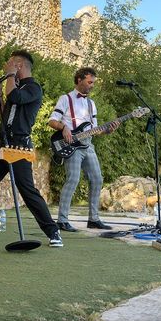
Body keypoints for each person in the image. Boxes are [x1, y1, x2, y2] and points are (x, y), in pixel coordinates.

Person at [0, 50, 63, 247]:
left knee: (26, 190)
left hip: (20, 147)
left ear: (19, 65)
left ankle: (53, 232)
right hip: (4, 145)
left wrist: (9, 77)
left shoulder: (33, 88)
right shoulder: (15, 87)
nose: (6, 67)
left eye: (10, 64)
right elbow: (5, 115)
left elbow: (16, 97)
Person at [46, 67, 116, 232]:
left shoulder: (91, 104)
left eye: (93, 83)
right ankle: (62, 221)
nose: (92, 85)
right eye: (89, 82)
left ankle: (93, 219)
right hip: (72, 146)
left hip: (88, 144)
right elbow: (52, 121)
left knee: (97, 179)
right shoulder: (65, 99)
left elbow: (95, 129)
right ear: (79, 80)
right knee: (73, 180)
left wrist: (108, 130)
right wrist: (64, 127)